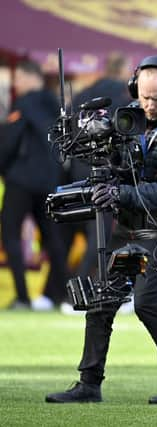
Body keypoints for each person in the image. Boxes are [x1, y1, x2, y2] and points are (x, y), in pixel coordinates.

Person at [46, 55, 157, 404]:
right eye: (144, 98)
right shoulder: (129, 118)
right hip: (133, 228)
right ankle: (89, 383)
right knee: (102, 300)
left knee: (147, 301)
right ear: (135, 89)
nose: (149, 106)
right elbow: (121, 169)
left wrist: (121, 192)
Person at [60, 52, 132, 315]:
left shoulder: (83, 95)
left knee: (98, 235)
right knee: (101, 235)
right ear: (123, 70)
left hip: (78, 173)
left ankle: (114, 292)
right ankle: (74, 297)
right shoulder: (122, 97)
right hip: (106, 172)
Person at [0, 59, 68, 311]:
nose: (16, 83)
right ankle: (64, 295)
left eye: (18, 78)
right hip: (49, 181)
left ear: (31, 77)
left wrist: (4, 168)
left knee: (10, 232)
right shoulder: (56, 105)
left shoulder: (24, 104)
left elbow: (8, 141)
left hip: (21, 180)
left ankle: (22, 297)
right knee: (54, 239)